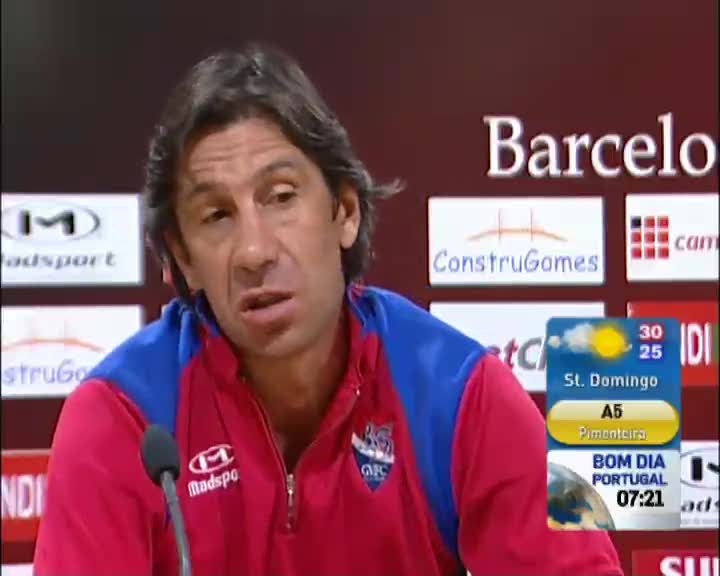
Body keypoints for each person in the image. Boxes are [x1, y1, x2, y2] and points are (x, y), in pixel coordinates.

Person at [34, 43, 623, 576]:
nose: (255, 251)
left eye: (281, 197)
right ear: (183, 258)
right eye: (216, 215)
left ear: (345, 211)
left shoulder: (464, 392)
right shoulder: (122, 417)